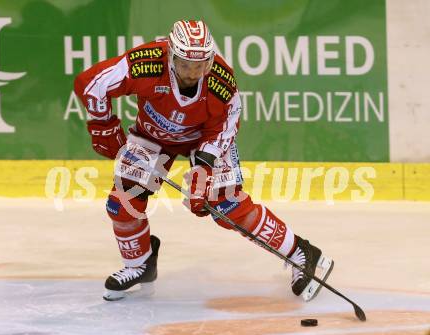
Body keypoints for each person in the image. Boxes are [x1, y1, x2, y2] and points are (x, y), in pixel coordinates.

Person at [74, 20, 333, 301]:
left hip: (204, 141)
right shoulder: (146, 62)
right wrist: (103, 125)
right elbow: (91, 83)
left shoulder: (221, 81)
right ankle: (140, 263)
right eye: (185, 64)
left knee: (226, 204)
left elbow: (225, 126)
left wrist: (204, 168)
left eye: (200, 66)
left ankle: (301, 251)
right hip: (154, 137)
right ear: (171, 55)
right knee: (123, 200)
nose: (192, 73)